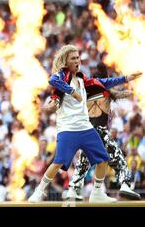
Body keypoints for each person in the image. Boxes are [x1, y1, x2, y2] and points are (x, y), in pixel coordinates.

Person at [29, 44, 141, 203]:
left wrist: (125, 78)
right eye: (73, 58)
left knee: (103, 159)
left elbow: (103, 82)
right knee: (59, 162)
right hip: (68, 129)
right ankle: (40, 190)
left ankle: (97, 193)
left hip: (86, 128)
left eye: (78, 57)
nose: (77, 61)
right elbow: (52, 80)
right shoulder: (62, 78)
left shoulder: (82, 79)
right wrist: (71, 92)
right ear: (65, 61)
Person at [53, 63, 140, 200]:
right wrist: (133, 91)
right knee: (118, 159)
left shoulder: (84, 94)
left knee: (83, 163)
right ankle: (125, 185)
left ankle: (73, 190)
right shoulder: (107, 93)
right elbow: (122, 94)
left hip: (86, 132)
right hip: (100, 131)